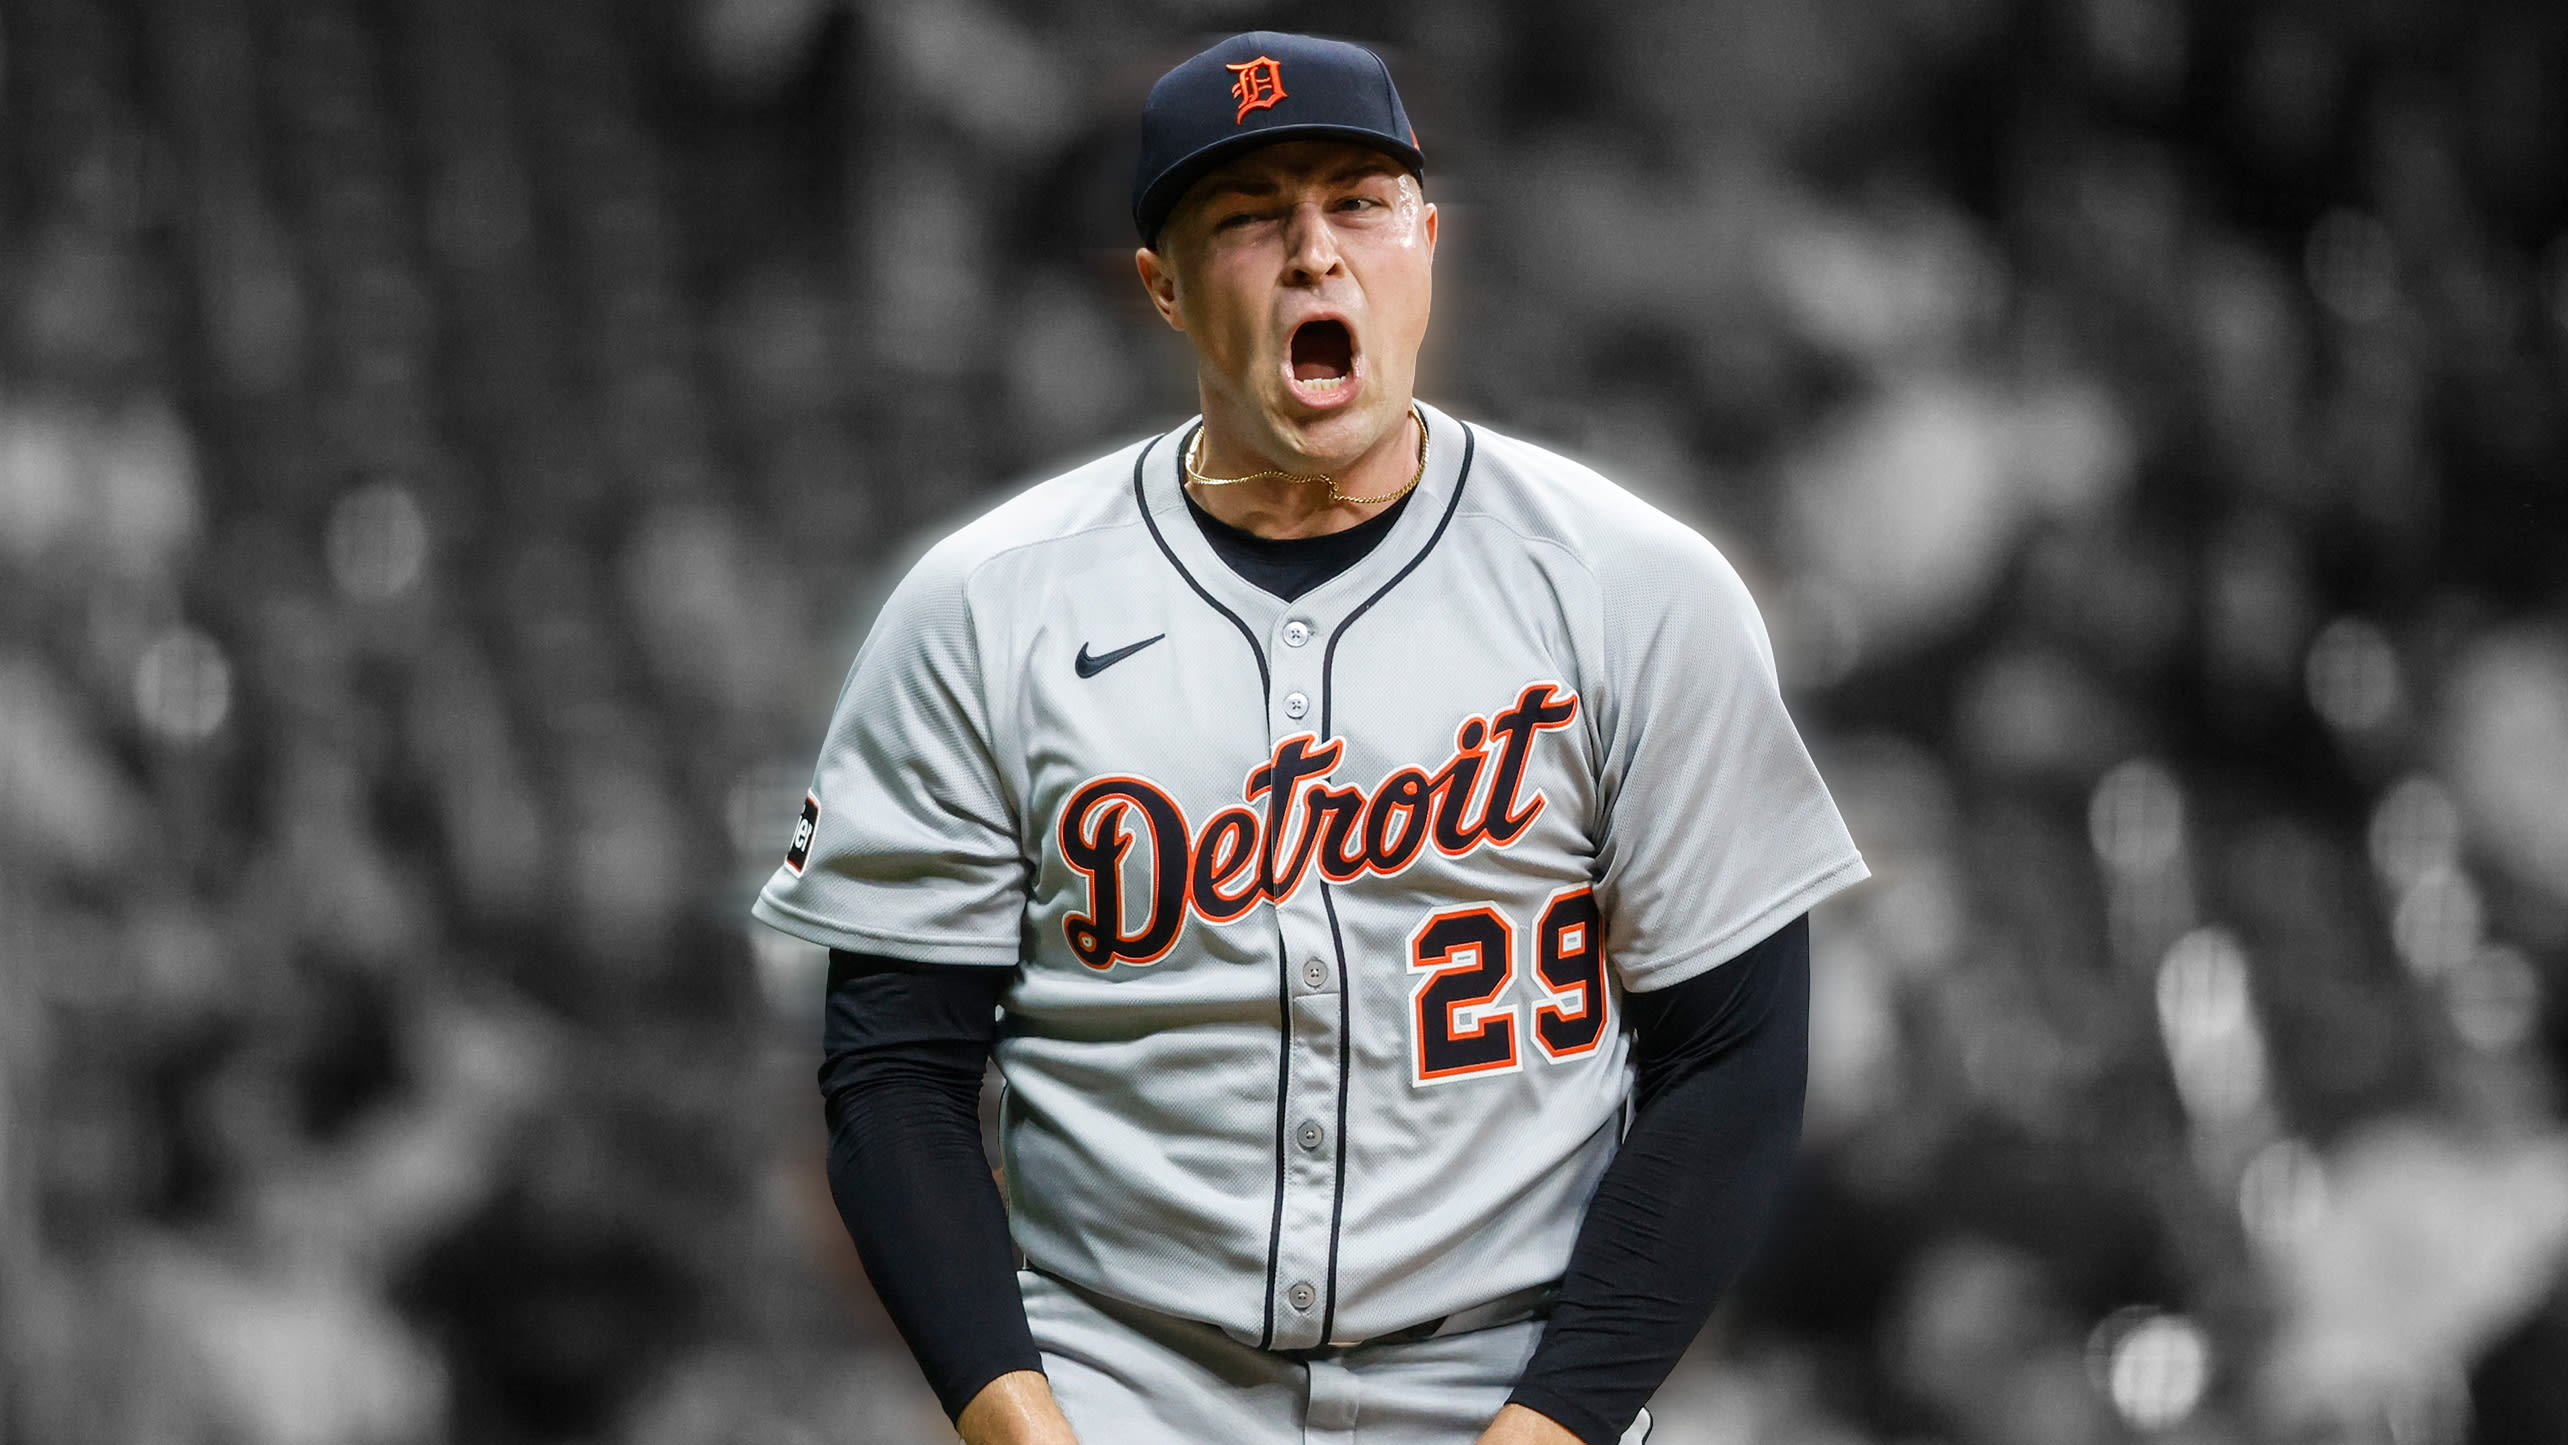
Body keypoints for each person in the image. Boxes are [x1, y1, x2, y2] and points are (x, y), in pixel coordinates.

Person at [753, 30, 1867, 1445]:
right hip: (1124, 1380)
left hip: (1509, 1375)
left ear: (1427, 240)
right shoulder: (980, 608)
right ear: (1161, 285)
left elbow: (1735, 1059)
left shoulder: (1639, 589)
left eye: (1360, 201)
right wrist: (1021, 1425)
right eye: (1246, 216)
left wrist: (1559, 1421)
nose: (1314, 253)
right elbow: (892, 1076)